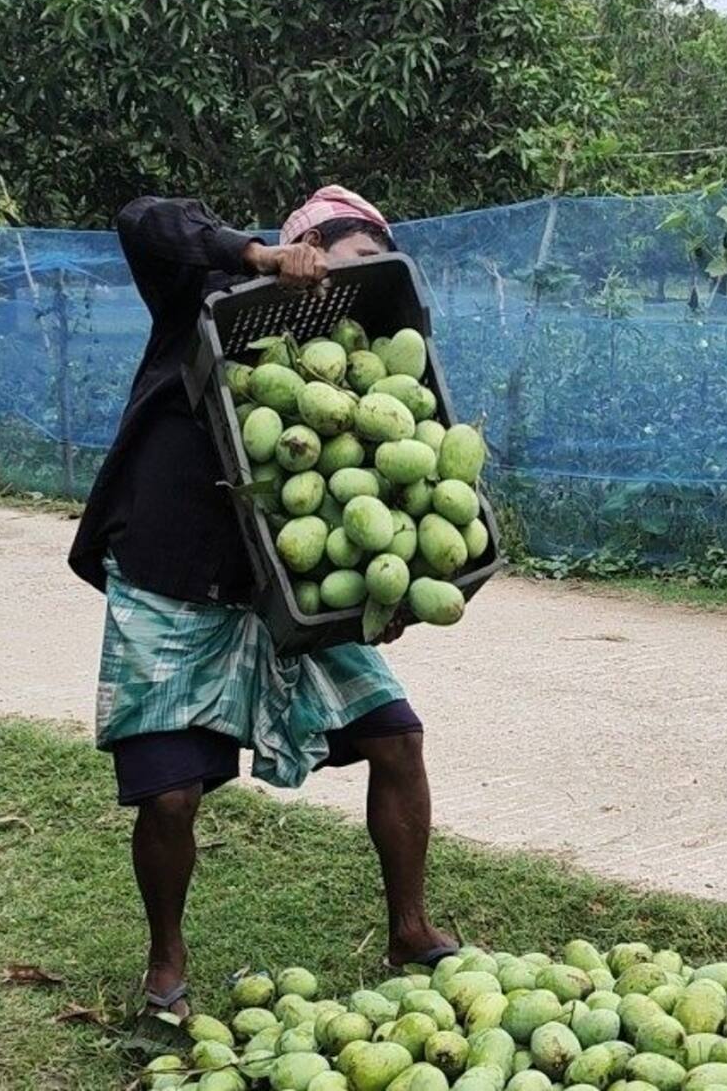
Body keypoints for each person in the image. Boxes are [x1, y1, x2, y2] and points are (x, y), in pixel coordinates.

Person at [69, 186, 459, 1021]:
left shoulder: (361, 369)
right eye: (356, 260)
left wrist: (381, 595)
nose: (367, 282)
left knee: (397, 739)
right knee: (170, 793)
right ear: (309, 246)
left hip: (285, 594)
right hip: (174, 577)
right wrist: (252, 256)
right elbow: (142, 220)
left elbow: (377, 524)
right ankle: (166, 962)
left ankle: (411, 930)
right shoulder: (207, 298)